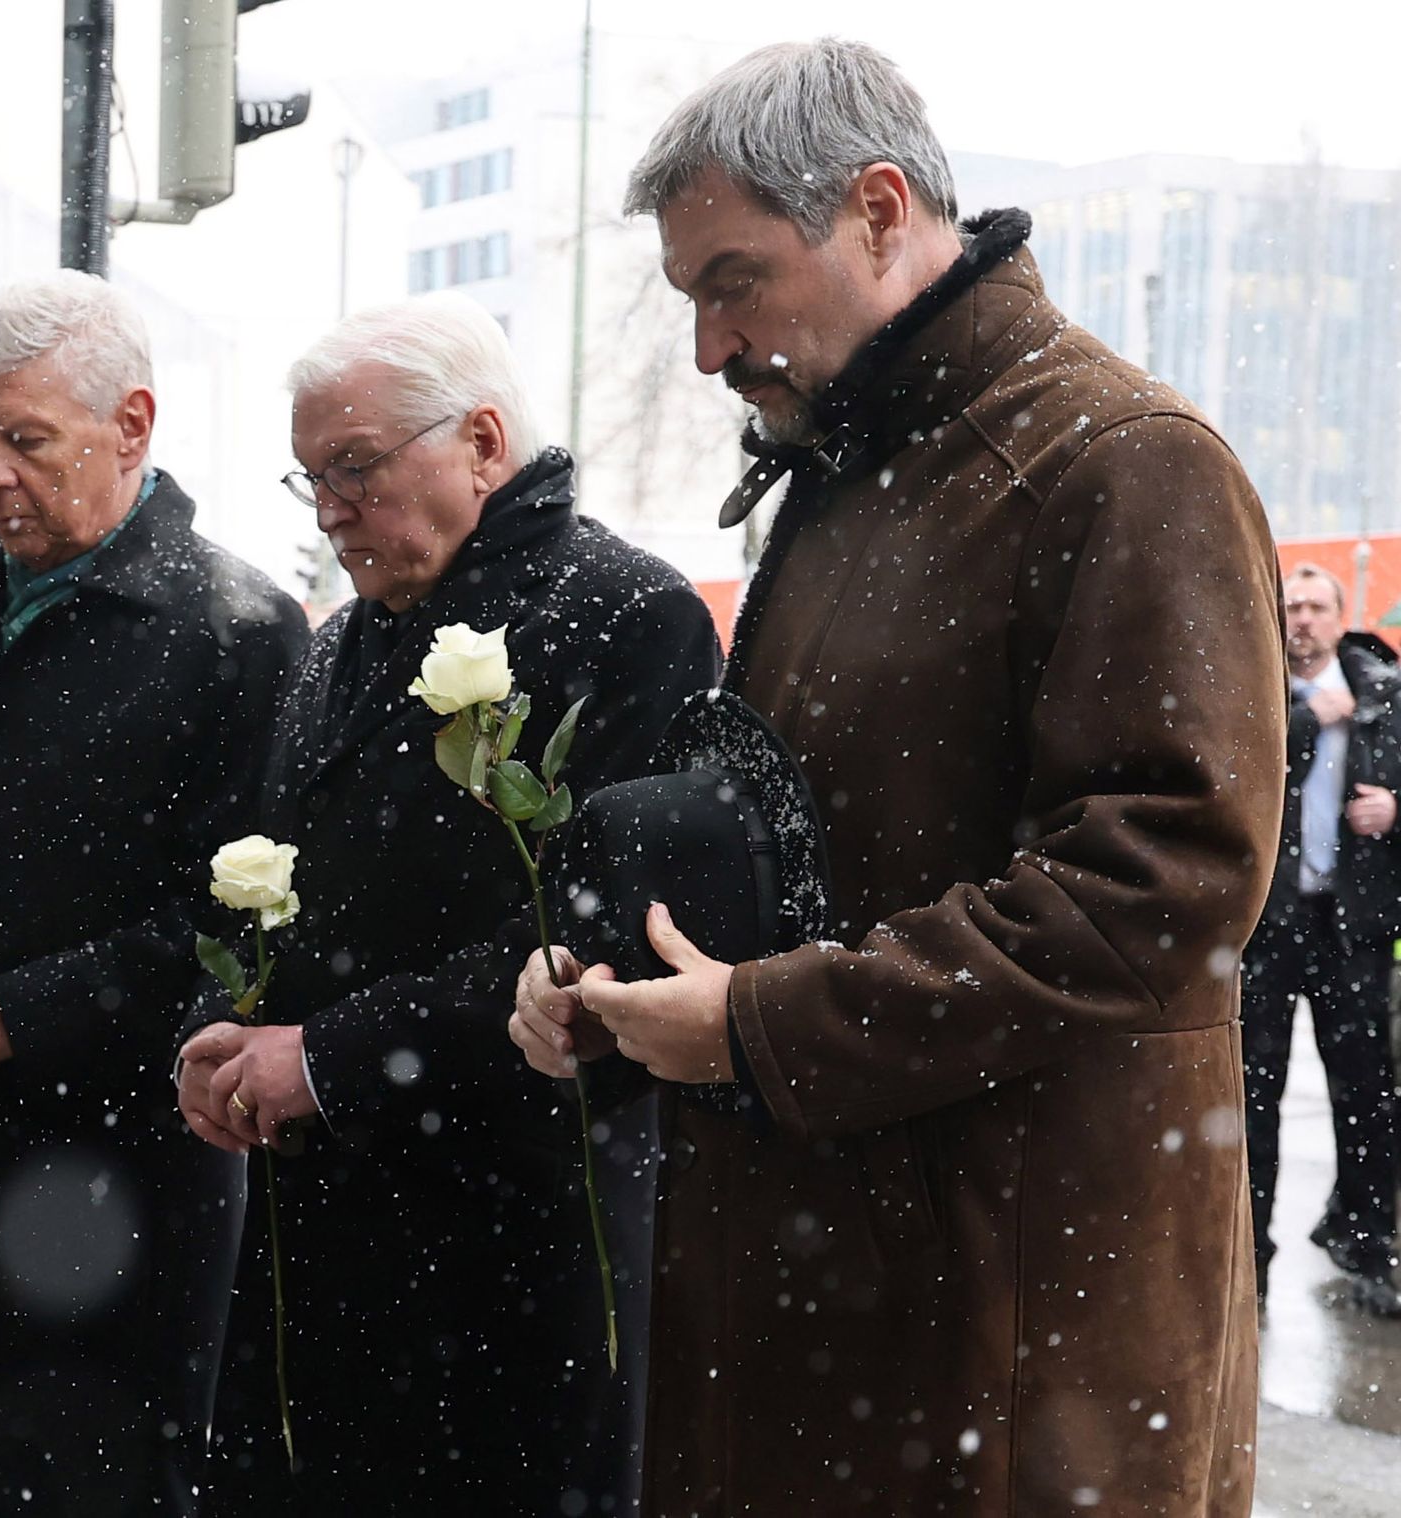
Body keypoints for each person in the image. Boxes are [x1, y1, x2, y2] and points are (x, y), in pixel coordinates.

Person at [508, 40, 1287, 1515]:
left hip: (1008, 1332)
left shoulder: (1121, 464)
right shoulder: (854, 467)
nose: (709, 348)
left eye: (732, 281)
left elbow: (1159, 881)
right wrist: (621, 982)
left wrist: (756, 1020)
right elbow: (802, 837)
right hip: (851, 1296)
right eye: (690, 299)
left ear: (877, 208)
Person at [175, 295, 718, 1515]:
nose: (327, 510)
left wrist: (325, 1058)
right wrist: (229, 1022)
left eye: (354, 466)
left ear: (481, 441)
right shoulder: (342, 641)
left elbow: (590, 942)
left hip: (504, 1252)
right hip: (327, 1245)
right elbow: (270, 878)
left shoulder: (628, 617)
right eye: (308, 477)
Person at [0, 270, 307, 1517]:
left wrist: (18, 1014)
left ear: (130, 426)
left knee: (110, 1480)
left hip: (126, 1179)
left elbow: (238, 925)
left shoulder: (235, 630)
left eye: (22, 440)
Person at [1243, 564, 1401, 1315]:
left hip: (1352, 929)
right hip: (1265, 931)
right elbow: (1239, 776)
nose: (1301, 619)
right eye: (1291, 607)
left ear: (1343, 617)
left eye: (1315, 607)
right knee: (1252, 1100)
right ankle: (1251, 1261)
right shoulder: (1251, 693)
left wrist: (1395, 810)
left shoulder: (1385, 696)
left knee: (1365, 1098)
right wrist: (1315, 718)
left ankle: (1372, 1250)